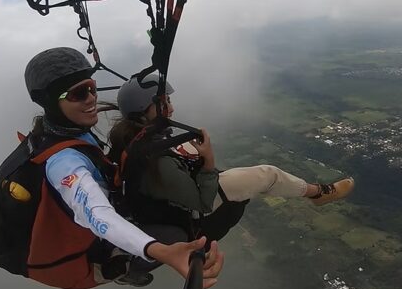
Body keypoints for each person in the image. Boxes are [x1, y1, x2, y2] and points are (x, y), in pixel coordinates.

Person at [8, 47, 223, 289]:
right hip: (83, 259)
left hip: (109, 207)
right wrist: (159, 251)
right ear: (51, 103)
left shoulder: (62, 128)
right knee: (176, 235)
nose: (91, 98)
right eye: (78, 93)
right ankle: (123, 269)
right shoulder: (64, 163)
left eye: (91, 87)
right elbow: (98, 214)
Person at [108, 74, 355, 243]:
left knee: (233, 171)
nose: (170, 108)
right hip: (196, 218)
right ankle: (319, 194)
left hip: (177, 200)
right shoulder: (156, 161)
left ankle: (310, 192)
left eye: (169, 100)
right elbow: (203, 203)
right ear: (142, 112)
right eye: (163, 104)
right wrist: (209, 160)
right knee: (268, 175)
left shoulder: (135, 141)